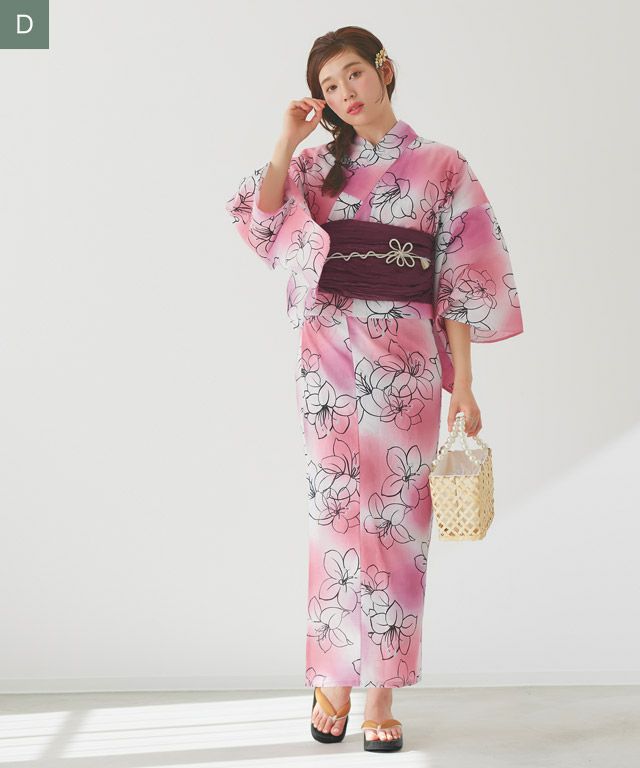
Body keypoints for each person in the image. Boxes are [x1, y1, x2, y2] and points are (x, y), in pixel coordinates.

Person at [225, 25, 524, 753]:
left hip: (407, 362)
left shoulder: (442, 165)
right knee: (333, 516)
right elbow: (263, 221)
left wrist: (464, 386)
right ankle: (332, 677)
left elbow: (461, 280)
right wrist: (285, 141)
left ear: (384, 70)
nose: (345, 93)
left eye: (353, 74)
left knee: (398, 522)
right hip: (327, 354)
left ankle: (381, 689)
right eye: (329, 86)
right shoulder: (315, 166)